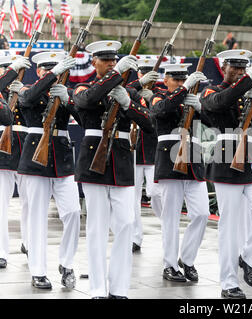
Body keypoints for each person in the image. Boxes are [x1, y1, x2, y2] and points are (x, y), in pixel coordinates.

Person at [73, 40, 153, 299]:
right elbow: (88, 100)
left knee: (127, 223)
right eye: (105, 59)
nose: (109, 63)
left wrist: (128, 103)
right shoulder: (83, 87)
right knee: (97, 227)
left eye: (113, 59)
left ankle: (118, 288)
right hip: (94, 157)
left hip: (120, 161)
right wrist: (116, 74)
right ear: (93, 62)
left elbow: (149, 123)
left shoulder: (127, 91)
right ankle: (97, 288)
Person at [200, 50, 252, 299]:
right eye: (235, 67)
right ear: (224, 67)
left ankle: (248, 257)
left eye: (244, 68)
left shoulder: (249, 92)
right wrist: (247, 82)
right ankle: (229, 282)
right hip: (227, 160)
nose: (240, 71)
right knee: (229, 226)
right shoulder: (212, 90)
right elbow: (218, 104)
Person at [17, 52, 80, 290]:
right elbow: (27, 99)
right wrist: (54, 74)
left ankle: (67, 263)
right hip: (35, 161)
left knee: (73, 212)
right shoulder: (26, 90)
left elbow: (84, 119)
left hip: (62, 160)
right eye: (46, 70)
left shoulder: (65, 92)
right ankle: (38, 271)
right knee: (37, 217)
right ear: (39, 72)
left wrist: (68, 99)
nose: (50, 73)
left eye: (54, 69)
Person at [149, 63, 210, 283]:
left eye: (183, 79)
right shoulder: (158, 97)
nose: (180, 83)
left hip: (193, 161)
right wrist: (185, 89)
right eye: (175, 80)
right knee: (171, 218)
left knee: (202, 213)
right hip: (170, 162)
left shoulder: (191, 98)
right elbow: (160, 111)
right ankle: (170, 265)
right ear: (165, 80)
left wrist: (201, 108)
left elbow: (213, 123)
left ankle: (188, 259)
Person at [127, 58, 163, 253]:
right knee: (131, 198)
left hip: (152, 149)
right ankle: (135, 237)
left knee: (155, 193)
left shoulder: (158, 94)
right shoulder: (131, 91)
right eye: (143, 73)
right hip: (133, 150)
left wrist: (150, 98)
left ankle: (167, 225)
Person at [0, 55, 31, 269]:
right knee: (1, 204)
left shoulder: (27, 90)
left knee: (30, 202)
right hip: (3, 147)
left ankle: (29, 242)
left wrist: (20, 90)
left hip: (26, 147)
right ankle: (1, 251)